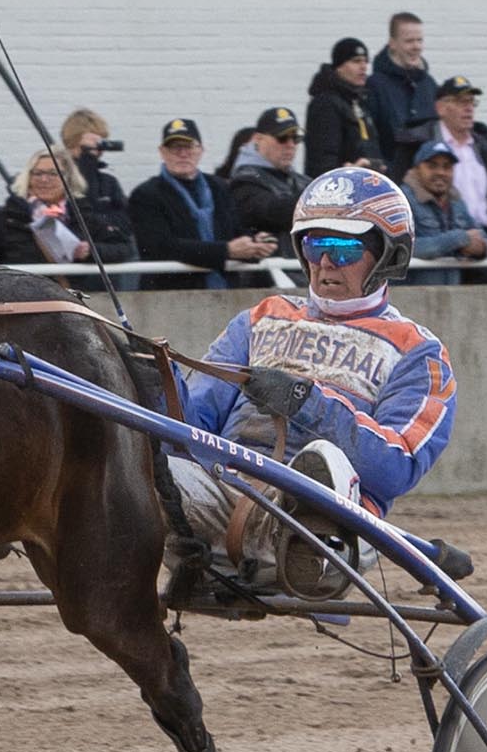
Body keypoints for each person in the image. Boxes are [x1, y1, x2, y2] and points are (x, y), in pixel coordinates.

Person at [169, 167, 455, 601]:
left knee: (322, 459)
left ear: (387, 254)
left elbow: (396, 468)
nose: (324, 263)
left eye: (343, 249)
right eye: (314, 245)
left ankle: (302, 554)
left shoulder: (418, 353)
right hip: (222, 499)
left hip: (334, 526)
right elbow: (190, 426)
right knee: (140, 460)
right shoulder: (259, 319)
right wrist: (155, 383)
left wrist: (306, 401)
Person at [127, 118, 273, 291]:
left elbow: (236, 230)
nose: (183, 154)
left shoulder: (219, 187)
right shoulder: (146, 194)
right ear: (162, 152)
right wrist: (225, 251)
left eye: (189, 147)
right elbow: (160, 247)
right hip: (170, 294)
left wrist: (255, 244)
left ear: (200, 150)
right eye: (175, 148)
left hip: (225, 290)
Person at [0, 146, 136, 271]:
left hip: (70, 300)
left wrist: (90, 251)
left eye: (53, 173)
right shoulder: (4, 218)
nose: (44, 179)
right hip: (22, 300)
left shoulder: (82, 216)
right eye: (37, 173)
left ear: (68, 179)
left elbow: (124, 248)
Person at [397, 76, 487, 260]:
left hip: (478, 238)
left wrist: (484, 244)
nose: (469, 108)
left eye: (471, 102)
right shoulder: (417, 143)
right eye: (460, 102)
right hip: (437, 242)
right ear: (441, 108)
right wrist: (457, 239)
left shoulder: (483, 147)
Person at [402, 140, 487, 286]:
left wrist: (481, 248)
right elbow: (403, 248)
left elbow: (482, 238)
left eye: (447, 167)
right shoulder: (401, 200)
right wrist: (458, 239)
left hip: (450, 294)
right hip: (410, 295)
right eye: (432, 166)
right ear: (416, 169)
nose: (441, 172)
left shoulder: (456, 202)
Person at [366, 13, 439, 179]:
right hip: (392, 183)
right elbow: (371, 141)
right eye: (409, 41)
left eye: (419, 40)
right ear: (392, 43)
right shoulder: (375, 86)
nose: (416, 47)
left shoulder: (430, 85)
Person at [305, 37, 386, 178]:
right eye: (356, 61)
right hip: (340, 187)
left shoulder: (359, 102)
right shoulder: (326, 104)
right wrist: (348, 171)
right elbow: (322, 161)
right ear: (339, 66)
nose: (363, 67)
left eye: (365, 61)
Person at [227, 107, 307, 241]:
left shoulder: (302, 181)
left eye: (295, 138)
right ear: (258, 139)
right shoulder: (244, 180)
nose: (291, 144)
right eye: (282, 138)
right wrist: (316, 198)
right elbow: (273, 212)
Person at [59, 106, 130, 224]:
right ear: (73, 142)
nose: (97, 148)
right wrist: (86, 159)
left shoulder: (108, 182)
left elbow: (125, 220)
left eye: (100, 142)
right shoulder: (55, 177)